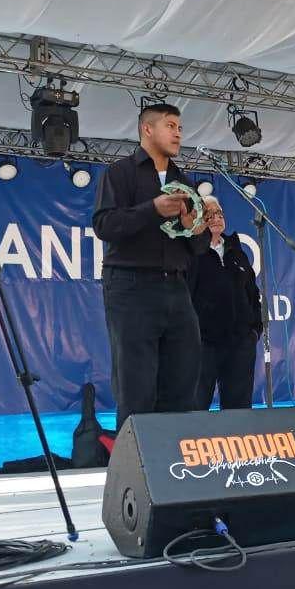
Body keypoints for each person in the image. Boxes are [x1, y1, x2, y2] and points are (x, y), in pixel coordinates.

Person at [93, 102, 209, 430]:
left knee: (183, 379)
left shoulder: (184, 181)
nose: (178, 133)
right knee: (136, 385)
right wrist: (152, 209)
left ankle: (174, 467)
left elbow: (198, 247)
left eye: (180, 128)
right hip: (130, 284)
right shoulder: (120, 173)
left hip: (176, 286)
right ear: (148, 129)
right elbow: (105, 225)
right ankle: (134, 473)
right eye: (170, 125)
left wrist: (193, 227)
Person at [189, 196, 263, 409]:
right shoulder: (192, 252)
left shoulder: (237, 253)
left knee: (239, 411)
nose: (215, 218)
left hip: (239, 344)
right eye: (209, 215)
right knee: (196, 406)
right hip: (203, 344)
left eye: (219, 214)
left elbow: (253, 295)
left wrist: (254, 332)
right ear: (199, 220)